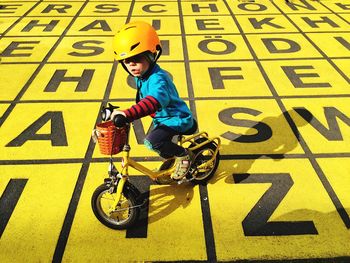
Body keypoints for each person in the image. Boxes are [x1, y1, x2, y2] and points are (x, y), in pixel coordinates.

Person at [110, 21, 197, 180]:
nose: (131, 65)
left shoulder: (158, 79)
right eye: (126, 61)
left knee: (152, 142)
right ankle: (174, 155)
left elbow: (154, 100)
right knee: (158, 143)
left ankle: (183, 155)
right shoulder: (143, 75)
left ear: (151, 54)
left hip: (176, 119)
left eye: (136, 58)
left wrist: (128, 114)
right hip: (162, 118)